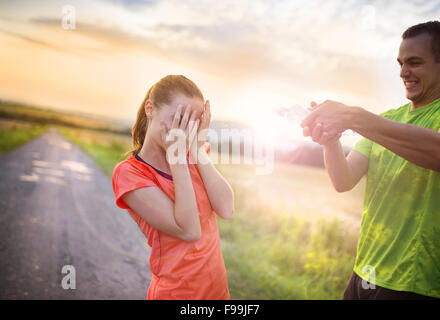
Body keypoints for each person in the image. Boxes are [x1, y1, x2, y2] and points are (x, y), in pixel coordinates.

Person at [301, 21, 440, 299]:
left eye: (414, 63)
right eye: (400, 63)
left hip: (414, 284)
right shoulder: (387, 120)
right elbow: (344, 181)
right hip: (365, 272)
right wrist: (331, 141)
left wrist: (354, 116)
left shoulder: (381, 124)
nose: (403, 72)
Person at [112, 75, 234, 299]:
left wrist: (196, 151)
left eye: (191, 122)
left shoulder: (192, 155)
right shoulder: (130, 173)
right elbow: (190, 231)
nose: (183, 131)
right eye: (178, 118)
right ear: (151, 109)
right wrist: (178, 160)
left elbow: (226, 208)